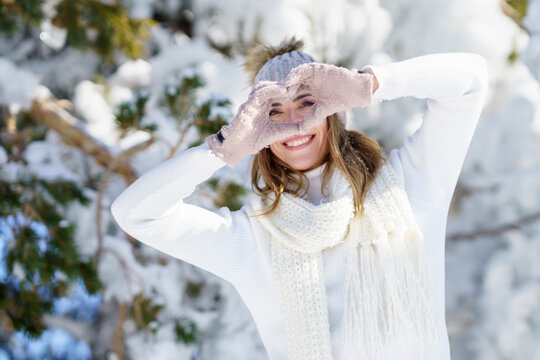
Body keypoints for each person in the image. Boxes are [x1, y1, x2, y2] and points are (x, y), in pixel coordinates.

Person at [111, 38, 488, 360]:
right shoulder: (250, 241)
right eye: (273, 112)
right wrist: (221, 150)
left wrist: (369, 85)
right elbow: (135, 214)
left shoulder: (408, 187)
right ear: (257, 131)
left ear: (333, 110)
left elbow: (470, 80)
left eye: (307, 103)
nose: (293, 122)